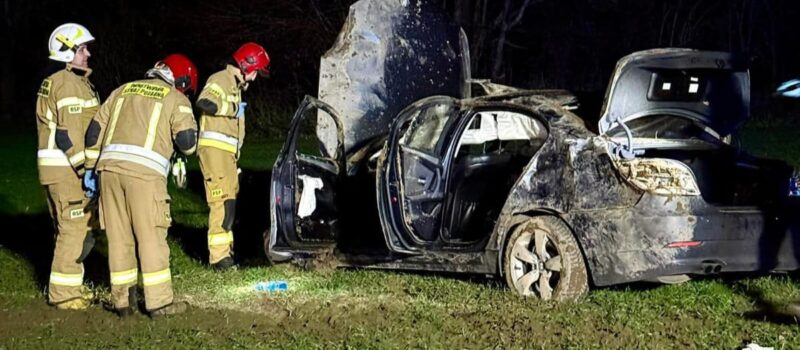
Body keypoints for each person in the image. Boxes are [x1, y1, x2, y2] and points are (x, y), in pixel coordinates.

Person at [83, 54, 198, 317]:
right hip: (144, 177)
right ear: (180, 81)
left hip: (108, 173)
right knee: (151, 236)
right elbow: (188, 142)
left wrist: (91, 168)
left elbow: (93, 132)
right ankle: (159, 303)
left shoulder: (121, 91)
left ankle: (123, 302)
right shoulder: (175, 98)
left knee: (119, 236)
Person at [36, 23, 100, 310]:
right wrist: (85, 169)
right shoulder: (66, 83)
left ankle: (69, 287)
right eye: (82, 49)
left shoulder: (70, 81)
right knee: (74, 228)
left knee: (72, 229)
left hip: (57, 170)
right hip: (66, 169)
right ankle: (64, 296)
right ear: (66, 51)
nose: (87, 53)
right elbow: (67, 134)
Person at [196, 43, 270, 270]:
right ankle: (219, 258)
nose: (256, 78)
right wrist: (232, 108)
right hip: (215, 152)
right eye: (256, 71)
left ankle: (227, 254)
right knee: (221, 203)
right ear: (246, 65)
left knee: (229, 204)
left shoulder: (234, 86)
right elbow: (205, 102)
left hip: (226, 154)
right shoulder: (220, 80)